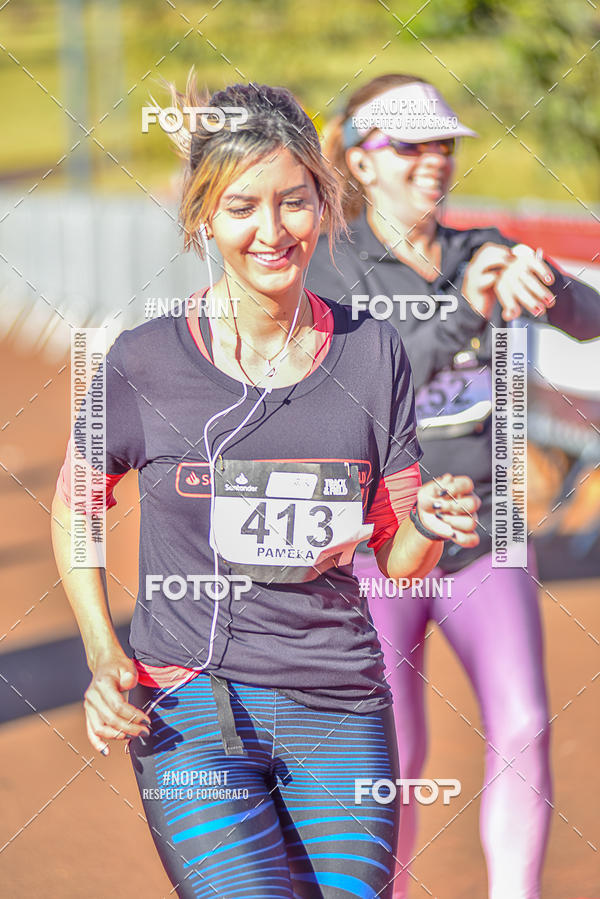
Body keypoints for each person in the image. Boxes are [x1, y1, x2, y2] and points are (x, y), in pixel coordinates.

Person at [51, 76, 481, 899]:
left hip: (339, 702)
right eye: (242, 206)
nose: (271, 230)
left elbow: (399, 557)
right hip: (189, 707)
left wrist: (425, 516)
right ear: (203, 218)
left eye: (293, 202)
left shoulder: (371, 353)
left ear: (324, 202)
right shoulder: (143, 361)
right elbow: (79, 509)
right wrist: (104, 654)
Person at [307, 73, 600, 899]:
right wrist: (468, 315)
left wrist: (539, 279)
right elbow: (375, 384)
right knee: (398, 753)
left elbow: (590, 317)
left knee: (524, 727)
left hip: (487, 537)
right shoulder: (329, 269)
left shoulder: (481, 249)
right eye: (410, 146)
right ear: (363, 163)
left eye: (443, 145)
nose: (433, 161)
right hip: (379, 551)